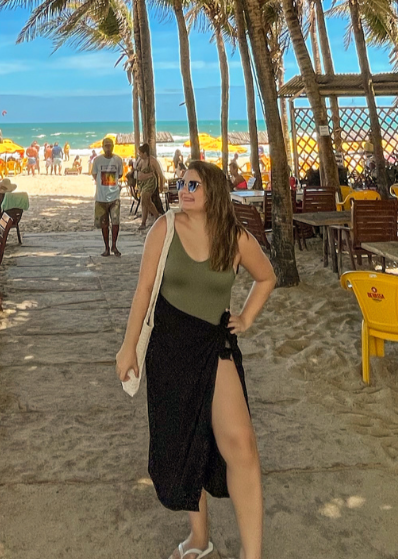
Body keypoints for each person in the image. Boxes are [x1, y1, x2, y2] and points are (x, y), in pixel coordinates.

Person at [116, 161, 276, 559]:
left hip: (213, 345)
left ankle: (251, 555)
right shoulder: (165, 229)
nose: (183, 189)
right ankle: (199, 538)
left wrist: (247, 317)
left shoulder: (234, 238)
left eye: (193, 184)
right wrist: (127, 346)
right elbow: (143, 289)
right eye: (181, 182)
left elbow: (266, 276)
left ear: (215, 192)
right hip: (170, 350)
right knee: (184, 444)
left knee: (241, 444)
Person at [91, 138, 125, 257]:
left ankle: (114, 245)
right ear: (102, 147)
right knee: (104, 224)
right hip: (101, 197)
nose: (108, 148)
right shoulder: (97, 160)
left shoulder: (118, 160)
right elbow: (94, 174)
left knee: (115, 222)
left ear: (113, 146)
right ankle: (106, 248)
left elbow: (120, 174)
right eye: (106, 146)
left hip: (114, 195)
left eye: (110, 145)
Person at [135, 143, 165, 231]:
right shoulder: (140, 160)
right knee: (145, 201)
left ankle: (153, 217)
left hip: (151, 182)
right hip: (142, 183)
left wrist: (161, 186)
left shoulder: (152, 161)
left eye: (140, 153)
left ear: (145, 153)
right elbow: (136, 170)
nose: (139, 155)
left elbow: (160, 174)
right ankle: (152, 218)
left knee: (145, 198)